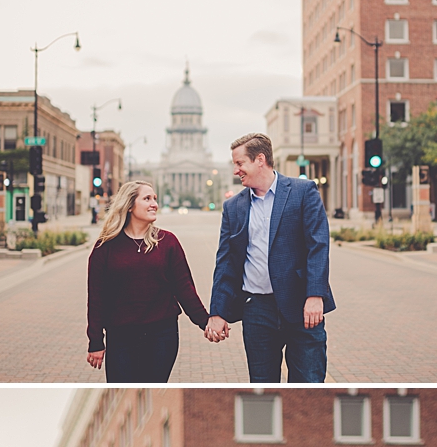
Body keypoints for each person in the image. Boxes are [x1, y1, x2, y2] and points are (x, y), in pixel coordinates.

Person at [206, 131, 335, 382]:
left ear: (260, 160)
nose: (236, 170)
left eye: (240, 163)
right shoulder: (233, 207)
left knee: (308, 382)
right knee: (262, 383)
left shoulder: (303, 191)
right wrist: (217, 312)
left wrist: (315, 295)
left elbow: (318, 246)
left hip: (301, 307)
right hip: (257, 311)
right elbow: (226, 263)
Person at [86, 179, 211, 383]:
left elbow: (185, 289)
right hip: (121, 337)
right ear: (129, 205)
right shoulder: (105, 247)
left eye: (155, 198)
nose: (154, 204)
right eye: (147, 198)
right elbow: (96, 298)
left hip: (162, 336)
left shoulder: (168, 242)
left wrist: (205, 322)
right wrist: (96, 341)